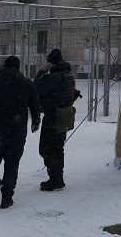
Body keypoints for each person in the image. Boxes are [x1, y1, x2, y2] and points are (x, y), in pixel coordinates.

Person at [0, 55, 41, 210]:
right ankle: (7, 198)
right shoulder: (26, 83)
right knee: (12, 165)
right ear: (18, 67)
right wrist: (36, 121)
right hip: (17, 130)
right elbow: (35, 104)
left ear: (5, 66)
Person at [34, 48, 77, 191]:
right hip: (64, 115)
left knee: (46, 148)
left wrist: (42, 71)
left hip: (53, 115)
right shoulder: (68, 75)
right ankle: (58, 177)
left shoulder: (55, 77)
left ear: (51, 63)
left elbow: (36, 87)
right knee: (58, 147)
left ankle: (55, 179)